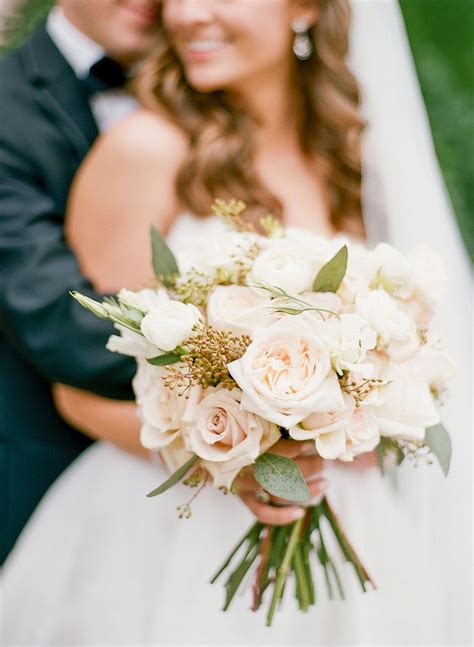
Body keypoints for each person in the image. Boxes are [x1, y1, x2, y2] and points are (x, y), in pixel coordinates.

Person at [3, 1, 471, 645]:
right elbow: (79, 391)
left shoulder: (355, 157)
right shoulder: (145, 149)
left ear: (305, 8)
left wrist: (365, 414)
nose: (190, 14)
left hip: (353, 529)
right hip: (164, 537)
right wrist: (234, 457)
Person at [0, 0, 161, 563]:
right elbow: (52, 316)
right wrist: (241, 366)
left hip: (199, 495)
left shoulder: (222, 88)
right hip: (40, 470)